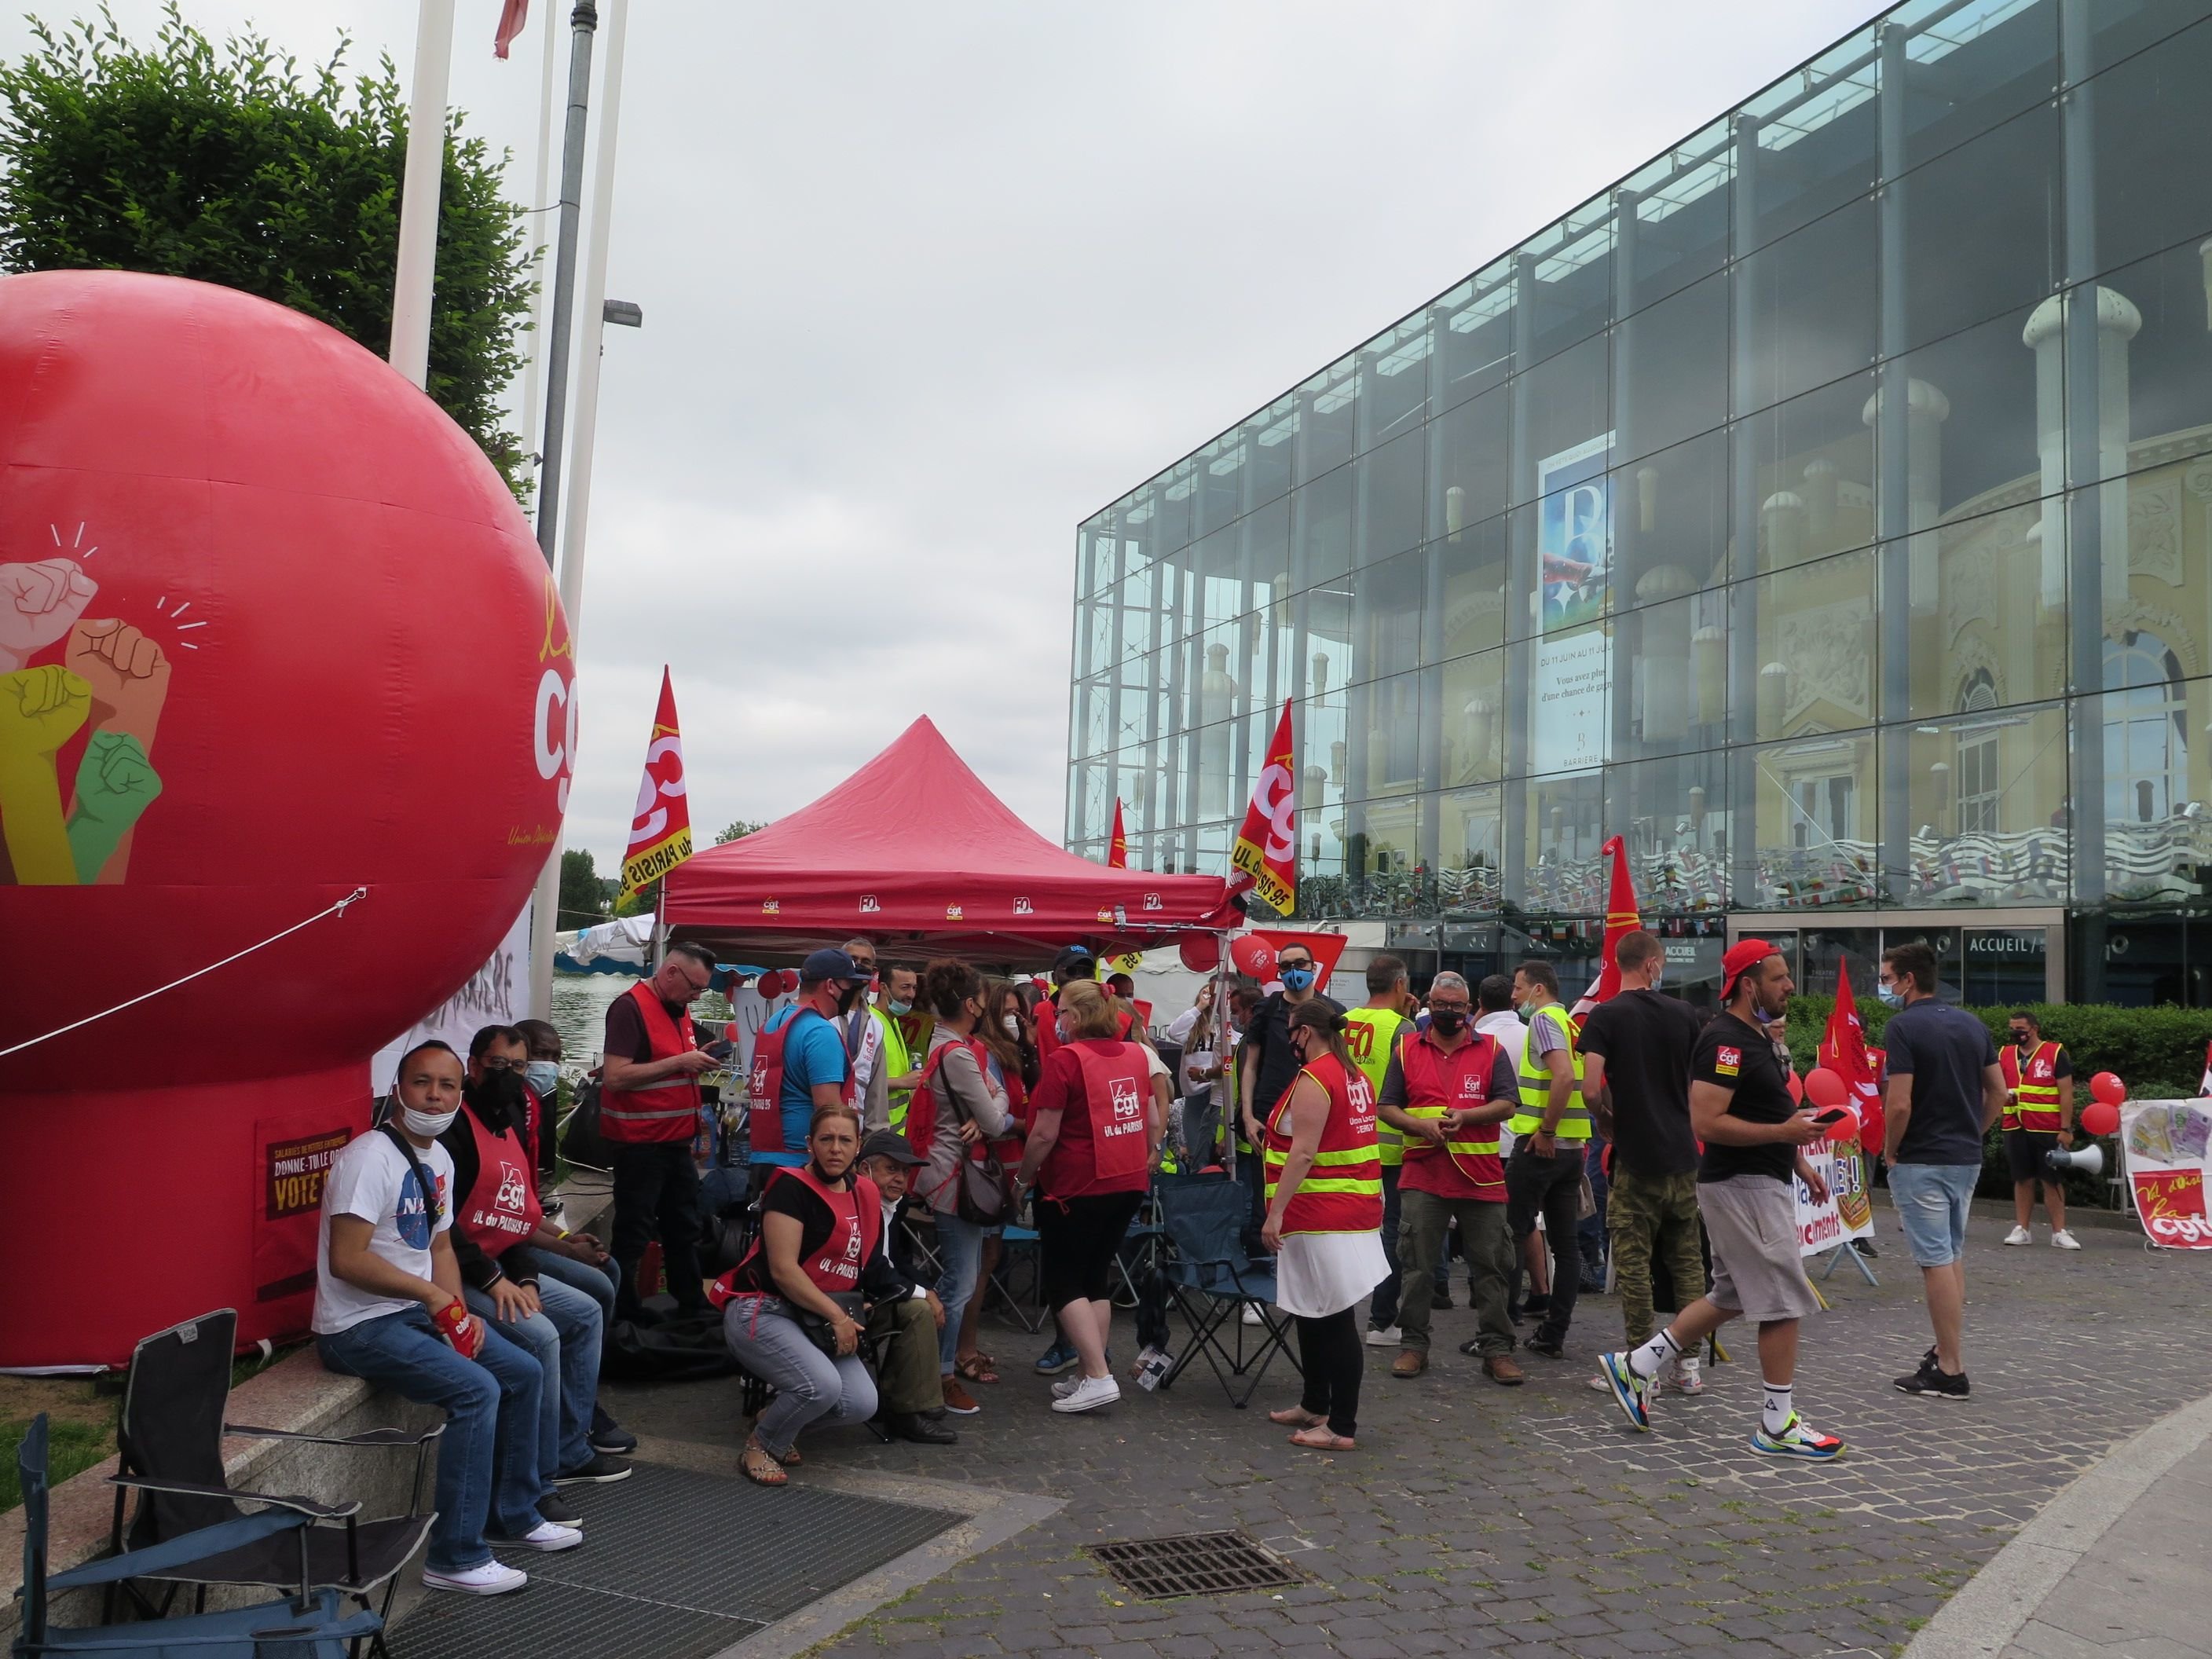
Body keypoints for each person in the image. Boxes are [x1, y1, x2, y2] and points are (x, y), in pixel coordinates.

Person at [315, 1042, 575, 1595]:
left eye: (447, 1086)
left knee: (524, 1370)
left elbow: (439, 1250)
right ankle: (454, 1556)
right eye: (421, 1083)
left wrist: (455, 1313)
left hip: (412, 1313)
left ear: (461, 1091)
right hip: (357, 1327)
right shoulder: (368, 1158)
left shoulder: (438, 1158)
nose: (435, 1096)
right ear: (397, 1089)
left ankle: (514, 1514)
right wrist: (432, 1300)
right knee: (478, 1391)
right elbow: (348, 1259)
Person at [1595, 941, 1844, 1459]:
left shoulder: (1754, 1038)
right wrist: (1783, 1133)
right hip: (1741, 1186)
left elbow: (1766, 1116)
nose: (1791, 986)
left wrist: (1796, 1158)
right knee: (1782, 1300)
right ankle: (1777, 1424)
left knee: (1729, 1296)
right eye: (1779, 978)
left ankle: (1636, 1365)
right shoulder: (1727, 1044)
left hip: (1758, 1181)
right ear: (1749, 985)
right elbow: (1707, 1122)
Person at [442, 1027, 630, 1514]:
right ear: (475, 1065)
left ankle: (571, 1444)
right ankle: (536, 1483)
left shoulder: (508, 1121)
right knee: (543, 1335)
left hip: (503, 1262)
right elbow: (445, 1229)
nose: (512, 1076)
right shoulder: (454, 1129)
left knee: (587, 1309)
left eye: (520, 1066)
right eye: (500, 1065)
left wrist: (527, 1275)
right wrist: (495, 1280)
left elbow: (516, 1220)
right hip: (457, 1272)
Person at [712, 1104, 909, 1485]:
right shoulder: (790, 1187)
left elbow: (861, 1262)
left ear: (858, 1148)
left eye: (845, 1140)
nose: (835, 1148)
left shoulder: (864, 1192)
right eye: (826, 1139)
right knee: (821, 1386)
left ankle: (774, 1417)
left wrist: (860, 1302)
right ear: (810, 1144)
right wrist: (838, 1316)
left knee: (861, 1405)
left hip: (818, 1319)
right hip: (764, 1309)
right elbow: (784, 1271)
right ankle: (762, 1444)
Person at [1013, 980, 1162, 1414]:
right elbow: (1152, 1120)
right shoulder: (1137, 1054)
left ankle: (1096, 1374)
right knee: (1096, 1277)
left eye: (1059, 1013)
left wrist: (1024, 1178)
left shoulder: (1065, 1060)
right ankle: (1087, 1373)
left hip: (1075, 1184)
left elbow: (1043, 1133)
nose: (1056, 1020)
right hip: (1128, 1180)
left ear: (1074, 1018)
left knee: (1064, 1281)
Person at [1576, 932, 1708, 1396]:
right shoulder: (1684, 1014)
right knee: (1687, 1261)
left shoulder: (1606, 1015)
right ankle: (1689, 1365)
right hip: (1683, 1154)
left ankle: (1640, 1369)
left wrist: (1607, 1120)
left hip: (1636, 1157)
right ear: (1652, 964)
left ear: (1620, 964)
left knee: (1634, 1266)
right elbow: (1696, 1081)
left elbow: (1591, 1087)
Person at [1376, 972, 1521, 1384]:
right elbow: (1387, 1107)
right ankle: (1413, 1346)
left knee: (1491, 1265)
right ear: (1429, 1003)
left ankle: (1497, 1349)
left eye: (1457, 1007)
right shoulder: (1406, 1048)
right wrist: (1420, 1125)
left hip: (1482, 1175)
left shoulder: (1490, 1049)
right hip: (1424, 1172)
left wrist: (1467, 1117)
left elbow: (1508, 1104)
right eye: (1440, 1005)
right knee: (1418, 1266)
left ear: (1469, 1006)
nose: (1448, 1013)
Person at [1879, 942, 2007, 1401]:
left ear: (1908, 980)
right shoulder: (1971, 1024)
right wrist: (1975, 1131)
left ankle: (1950, 1369)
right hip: (1963, 1157)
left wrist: (1890, 1151)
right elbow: (1999, 1091)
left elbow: (1899, 1103)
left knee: (1935, 1261)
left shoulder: (1903, 1027)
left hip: (1922, 1158)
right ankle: (1947, 1353)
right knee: (1950, 1257)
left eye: (1887, 977)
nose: (1885, 986)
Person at [1260, 1000, 1390, 1450]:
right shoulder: (1352, 1074)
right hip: (1345, 1208)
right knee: (1311, 1312)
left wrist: (1275, 1211)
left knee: (1332, 1318)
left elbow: (1304, 1152)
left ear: (1306, 1032)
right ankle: (1315, 1403)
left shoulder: (1316, 1078)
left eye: (1291, 1031)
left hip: (1321, 1212)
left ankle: (1342, 1426)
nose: (1287, 1040)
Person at [511, 1017, 636, 1456]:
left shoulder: (532, 1111)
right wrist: (564, 1246)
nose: (549, 1066)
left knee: (609, 1270)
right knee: (594, 1291)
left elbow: (527, 1207)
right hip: (503, 1253)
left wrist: (566, 1237)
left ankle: (582, 1401)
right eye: (541, 1056)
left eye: (557, 1058)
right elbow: (505, 1223)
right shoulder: (503, 1116)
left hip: (522, 1236)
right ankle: (572, 1427)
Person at [905, 959, 1013, 1414]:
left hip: (944, 1175)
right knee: (958, 1282)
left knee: (957, 1278)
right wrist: (991, 1109)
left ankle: (935, 1371)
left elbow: (997, 1100)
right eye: (983, 1001)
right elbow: (996, 1118)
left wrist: (992, 1106)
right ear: (970, 1004)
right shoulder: (961, 1054)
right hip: (953, 1180)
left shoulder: (949, 1047)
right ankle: (938, 1374)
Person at [600, 941, 719, 1322]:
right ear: (670, 973)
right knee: (634, 1232)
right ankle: (621, 1311)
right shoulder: (629, 1007)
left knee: (684, 1226)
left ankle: (691, 1302)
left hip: (674, 1140)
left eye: (702, 989)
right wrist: (681, 1061)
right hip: (640, 1145)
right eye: (694, 987)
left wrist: (690, 1065)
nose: (697, 997)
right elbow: (616, 1077)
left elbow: (670, 1071)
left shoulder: (677, 1007)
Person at [850, 1130, 959, 1445]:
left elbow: (899, 1259)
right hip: (854, 1300)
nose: (900, 1179)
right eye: (891, 1169)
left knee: (925, 1304)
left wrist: (929, 1289)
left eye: (905, 1172)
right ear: (864, 1169)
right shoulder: (856, 1202)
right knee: (917, 1310)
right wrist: (923, 1295)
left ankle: (908, 1401)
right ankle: (908, 1411)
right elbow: (870, 1267)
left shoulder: (895, 1205)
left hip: (879, 1291)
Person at [1505, 961, 1591, 1359]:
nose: (1514, 997)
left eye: (1519, 989)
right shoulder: (1571, 1023)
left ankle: (1499, 1333)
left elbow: (1563, 1077)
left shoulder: (1542, 1020)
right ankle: (1553, 1334)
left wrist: (1547, 1131)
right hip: (1571, 1151)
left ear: (1538, 989)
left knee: (1511, 1234)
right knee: (1566, 1245)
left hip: (1539, 1145)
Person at [1239, 940, 1342, 1251]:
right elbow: (1250, 1065)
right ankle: (1260, 1289)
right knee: (1264, 1202)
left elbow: (1339, 1067)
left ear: (1314, 968)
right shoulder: (1267, 1009)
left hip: (1316, 1117)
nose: (1293, 972)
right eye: (1286, 966)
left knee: (1312, 1197)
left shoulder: (1333, 1012)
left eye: (1300, 964)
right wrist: (1247, 1115)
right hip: (1269, 1116)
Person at [750, 947, 873, 1173]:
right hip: (803, 1162)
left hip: (765, 1154)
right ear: (830, 986)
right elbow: (828, 1108)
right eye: (850, 985)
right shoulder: (819, 1032)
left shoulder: (772, 1024)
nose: (855, 992)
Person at [1346, 956, 1413, 1347]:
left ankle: (1344, 1308)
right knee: (1393, 1232)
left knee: (1352, 1229)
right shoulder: (1402, 1027)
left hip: (1349, 1141)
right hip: (1390, 1143)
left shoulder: (1346, 1022)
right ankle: (1382, 1321)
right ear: (1401, 985)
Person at [2001, 1009, 2079, 1250]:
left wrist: (2066, 1128)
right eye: (2012, 1029)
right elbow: (1995, 1087)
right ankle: (2022, 1228)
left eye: (2020, 1030)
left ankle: (2059, 1231)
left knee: (2051, 1179)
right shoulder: (2005, 1054)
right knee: (2022, 1178)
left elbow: (2066, 1093)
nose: (2015, 1033)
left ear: (2034, 1029)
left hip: (2047, 1127)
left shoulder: (2054, 1053)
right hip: (2015, 1125)